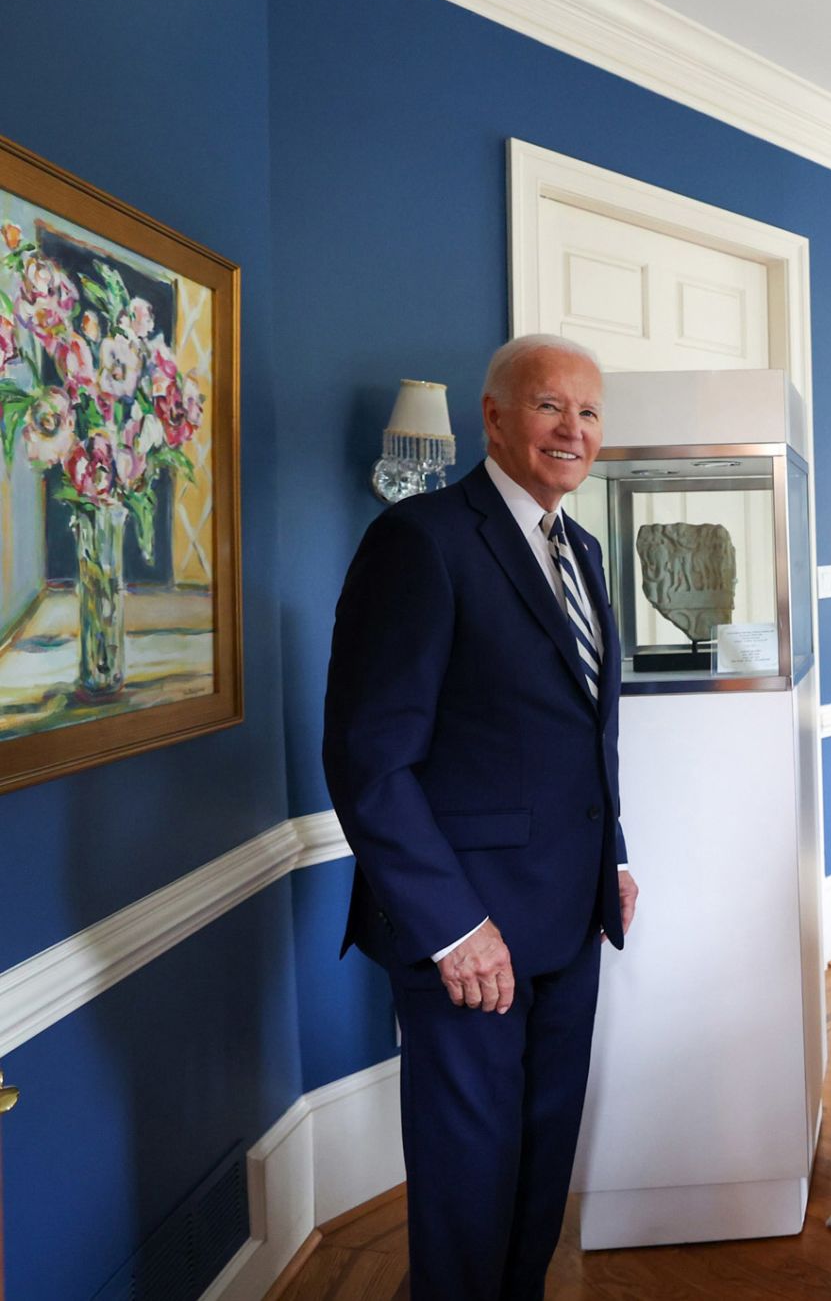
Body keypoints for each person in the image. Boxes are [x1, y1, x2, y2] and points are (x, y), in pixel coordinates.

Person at [323, 333, 639, 1300]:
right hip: (469, 939)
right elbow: (370, 761)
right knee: (468, 1191)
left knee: (540, 1172)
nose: (572, 430)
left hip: (571, 921)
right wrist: (456, 929)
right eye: (551, 407)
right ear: (493, 417)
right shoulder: (420, 542)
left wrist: (611, 857)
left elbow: (579, 734)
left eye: (588, 413)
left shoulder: (578, 547)